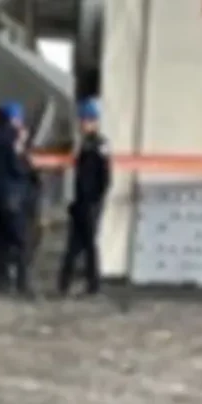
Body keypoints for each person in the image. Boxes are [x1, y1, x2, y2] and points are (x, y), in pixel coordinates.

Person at [58, 98, 111, 297]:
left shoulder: (100, 145)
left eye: (86, 120)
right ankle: (64, 282)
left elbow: (105, 178)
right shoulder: (83, 144)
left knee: (88, 244)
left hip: (91, 203)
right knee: (73, 244)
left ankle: (92, 283)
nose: (83, 124)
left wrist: (95, 200)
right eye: (82, 120)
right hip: (80, 201)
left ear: (94, 122)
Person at [0, 101, 35, 297]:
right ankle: (22, 283)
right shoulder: (14, 139)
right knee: (22, 240)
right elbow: (18, 167)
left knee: (2, 240)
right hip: (15, 196)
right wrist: (29, 163)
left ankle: (2, 279)